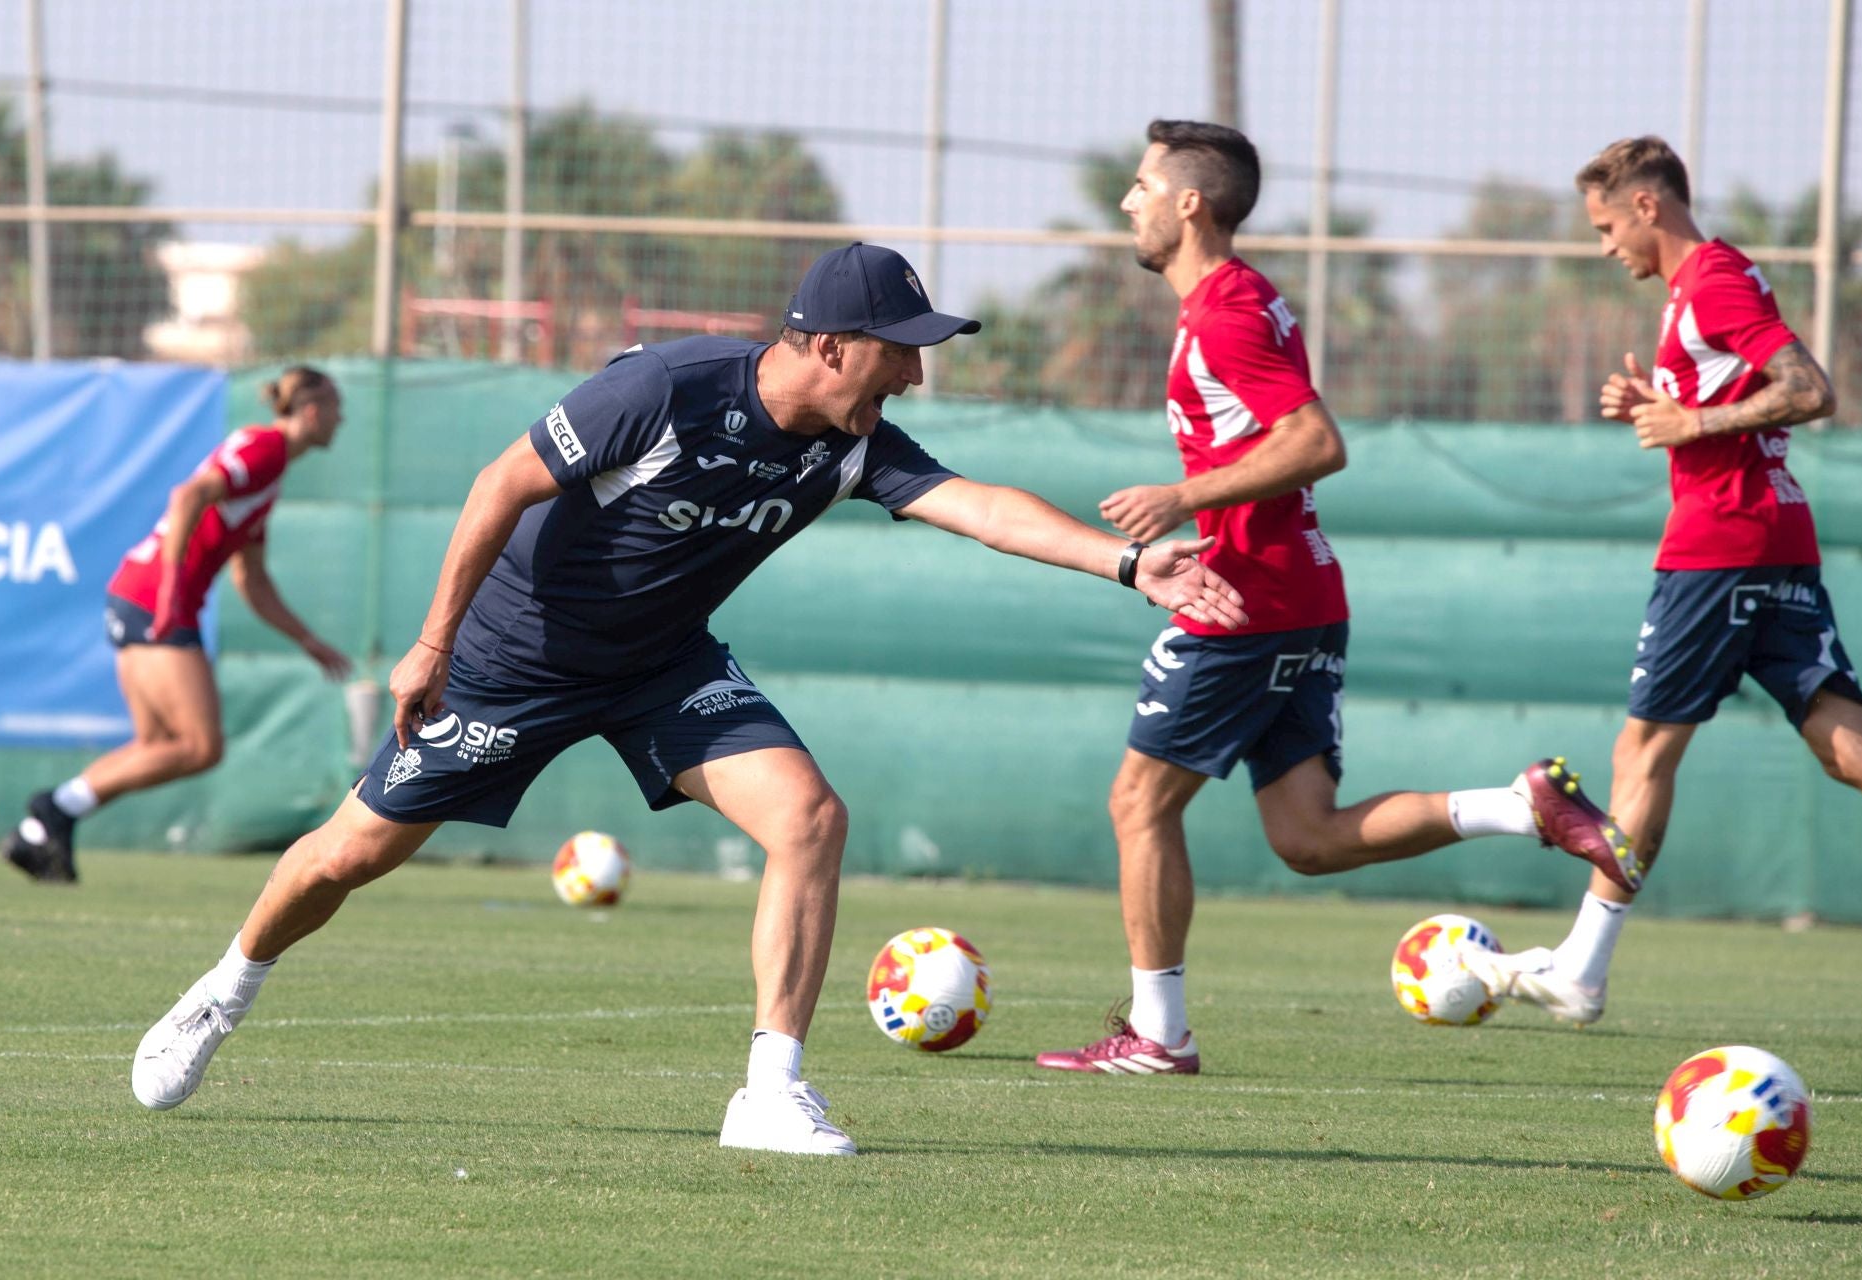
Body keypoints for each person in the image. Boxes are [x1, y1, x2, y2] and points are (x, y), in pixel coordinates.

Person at [126, 242, 1246, 1156]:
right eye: (898, 353)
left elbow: (980, 504)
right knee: (345, 856)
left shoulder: (848, 445)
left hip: (665, 665)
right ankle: (225, 988)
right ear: (825, 342)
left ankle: (768, 1091)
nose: (913, 374)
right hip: (518, 659)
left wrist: (1125, 565)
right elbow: (501, 482)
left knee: (810, 817)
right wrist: (433, 642)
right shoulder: (665, 388)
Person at [1033, 120, 1635, 1078]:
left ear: (1191, 203)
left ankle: (1158, 1037)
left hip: (1246, 601)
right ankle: (1521, 808)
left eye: (1143, 186)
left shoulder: (1227, 309)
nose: (1128, 202)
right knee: (1308, 837)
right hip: (1299, 594)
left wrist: (1181, 496)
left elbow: (1317, 441)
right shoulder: (1240, 300)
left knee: (1138, 804)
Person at [1462, 135, 1862, 1024]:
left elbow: (1810, 389)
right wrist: (1660, 408)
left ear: (1647, 206)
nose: (1605, 246)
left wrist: (1689, 422)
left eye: (1607, 225)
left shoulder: (1713, 277)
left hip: (1721, 547)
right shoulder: (1696, 289)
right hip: (1774, 536)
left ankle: (1583, 967)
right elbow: (1729, 403)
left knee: (1643, 753)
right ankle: (1581, 964)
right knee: (1848, 752)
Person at [0, 367, 353, 884]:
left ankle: (46, 826)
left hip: (134, 594)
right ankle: (55, 807)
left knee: (157, 744)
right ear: (313, 411)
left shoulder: (269, 472)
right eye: (337, 408)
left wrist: (306, 639)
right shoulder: (265, 448)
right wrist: (171, 589)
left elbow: (251, 580)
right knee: (199, 746)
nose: (342, 420)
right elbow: (187, 496)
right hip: (155, 599)